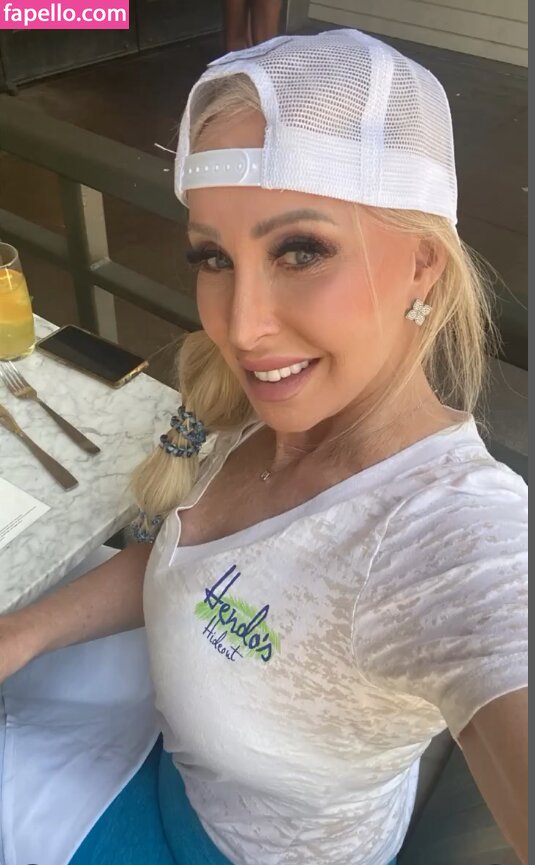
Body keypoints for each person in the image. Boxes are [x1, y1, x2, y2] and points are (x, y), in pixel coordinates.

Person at [0, 29, 527, 865]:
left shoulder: (443, 533)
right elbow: (189, 565)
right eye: (212, 256)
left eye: (300, 250)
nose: (240, 327)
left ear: (421, 263)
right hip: (176, 748)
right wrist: (19, 634)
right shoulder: (270, 412)